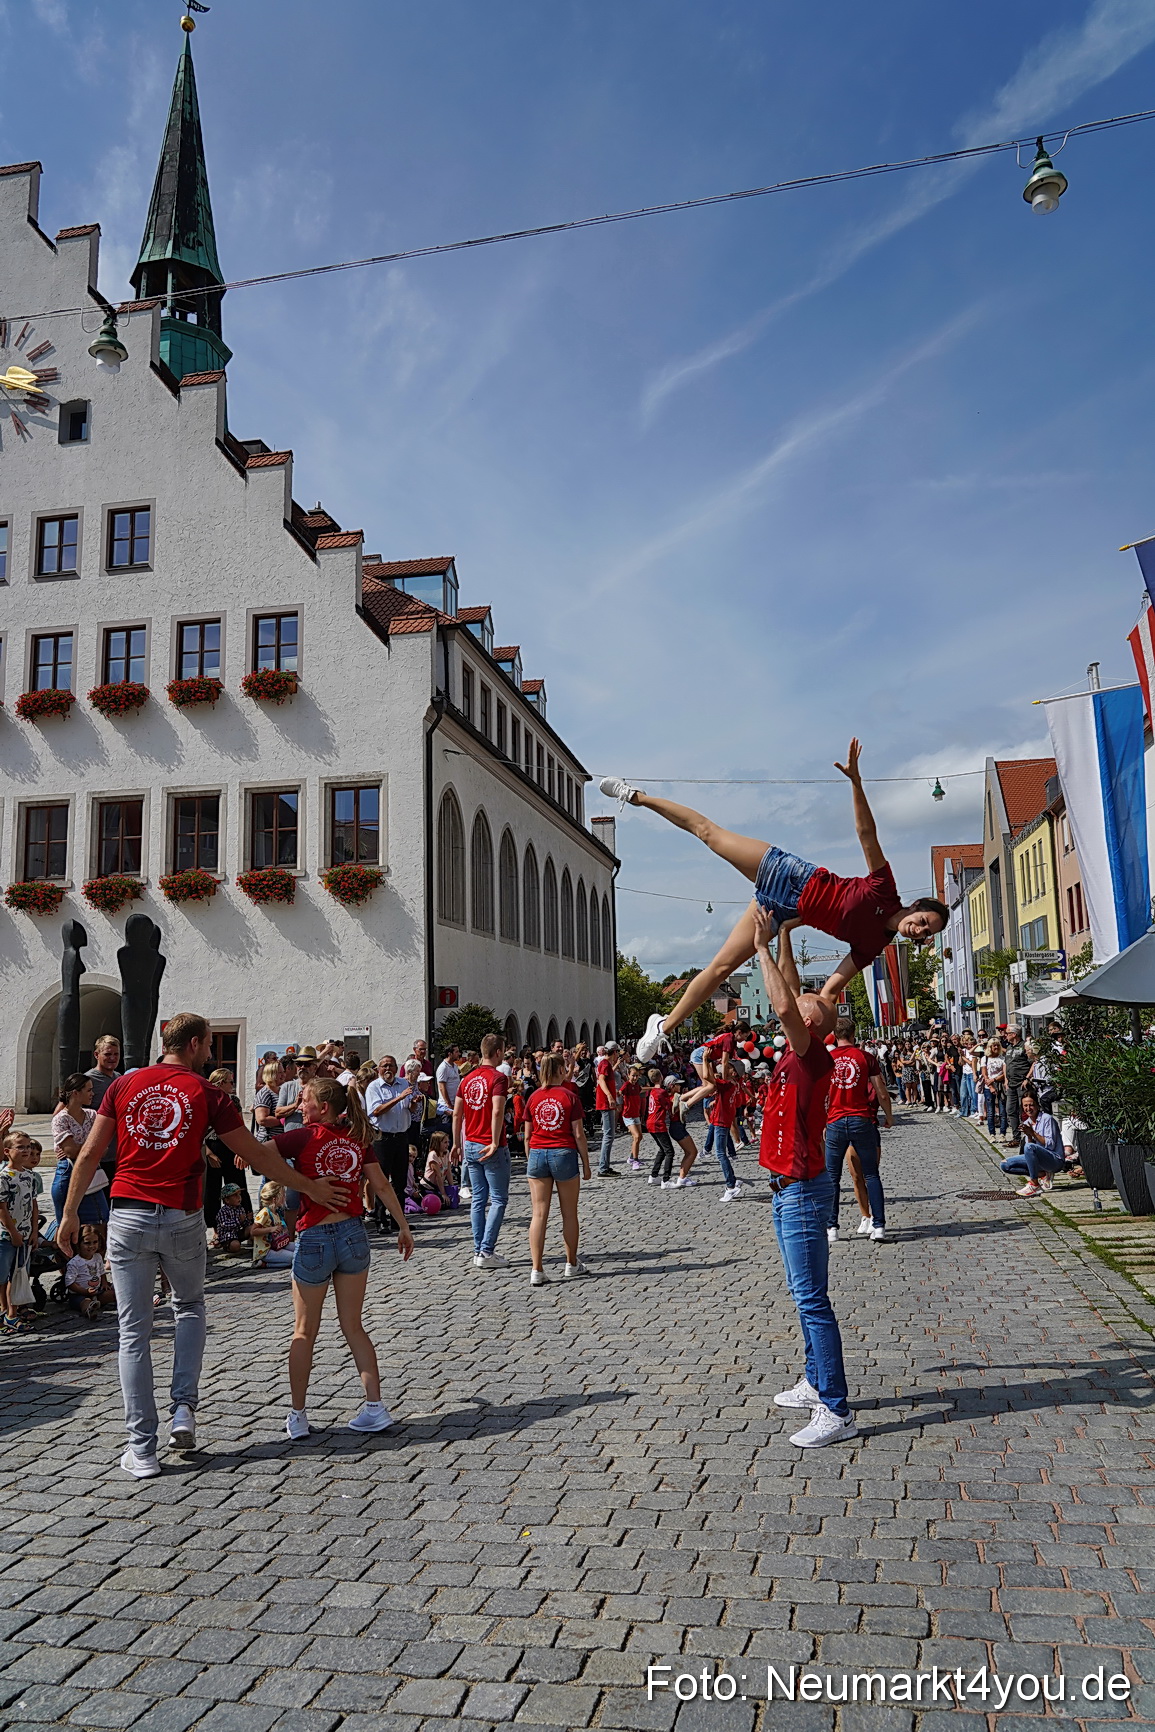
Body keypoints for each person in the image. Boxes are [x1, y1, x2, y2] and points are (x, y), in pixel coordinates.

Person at [57, 1012, 344, 1480]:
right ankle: (184, 1411)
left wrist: (70, 1214)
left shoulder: (123, 1086)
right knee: (189, 1307)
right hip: (181, 1216)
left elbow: (89, 1153)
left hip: (128, 1213)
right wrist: (308, 1187)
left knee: (134, 1331)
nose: (211, 1052)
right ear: (192, 1045)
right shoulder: (208, 1093)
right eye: (209, 1044)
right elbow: (253, 1152)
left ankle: (141, 1448)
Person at [602, 740, 947, 1063]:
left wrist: (808, 1019)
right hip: (790, 874)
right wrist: (856, 782)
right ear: (917, 906)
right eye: (923, 922)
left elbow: (830, 990)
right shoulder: (885, 889)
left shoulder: (874, 944)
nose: (918, 931)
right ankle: (636, 797)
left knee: (722, 967)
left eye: (923, 934)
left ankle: (663, 1027)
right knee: (707, 833)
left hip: (781, 912)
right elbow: (866, 834)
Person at [752, 913, 855, 1449]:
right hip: (785, 1187)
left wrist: (760, 947)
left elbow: (786, 1001)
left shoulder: (812, 1056)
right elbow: (793, 990)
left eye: (801, 1009)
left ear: (812, 1026)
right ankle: (815, 1381)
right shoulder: (802, 1049)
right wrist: (786, 933)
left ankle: (836, 1408)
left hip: (803, 1190)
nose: (793, 1005)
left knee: (812, 1299)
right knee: (802, 1294)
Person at [273, 1075, 414, 1440]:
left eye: (304, 1101)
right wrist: (403, 1226)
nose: (300, 1106)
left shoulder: (304, 1136)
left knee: (304, 1331)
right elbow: (381, 1185)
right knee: (354, 1326)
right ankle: (375, 1407)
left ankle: (299, 1415)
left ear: (322, 1108)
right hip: (353, 1233)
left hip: (315, 1236)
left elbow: (263, 1156)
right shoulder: (356, 1137)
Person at [524, 1053, 592, 1285]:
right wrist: (586, 1163)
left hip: (537, 1152)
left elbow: (527, 1135)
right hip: (563, 1152)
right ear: (561, 1070)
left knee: (539, 1214)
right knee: (569, 1213)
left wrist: (530, 1158)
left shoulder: (533, 1097)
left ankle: (536, 1268)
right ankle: (571, 1263)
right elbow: (579, 1134)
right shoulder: (570, 1096)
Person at [824, 1018, 892, 1243]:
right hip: (860, 1118)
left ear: (834, 1035)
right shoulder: (865, 1057)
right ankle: (879, 1226)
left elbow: (820, 1094)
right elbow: (881, 1091)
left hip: (835, 1120)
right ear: (853, 1034)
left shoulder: (828, 1059)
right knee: (871, 1174)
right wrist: (888, 1116)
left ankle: (831, 1227)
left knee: (832, 1177)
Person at [452, 1033, 512, 1270]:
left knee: (478, 1199)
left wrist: (456, 1142)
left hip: (471, 1142)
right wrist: (496, 1140)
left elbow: (458, 1113)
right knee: (498, 1199)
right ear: (498, 1052)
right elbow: (498, 1111)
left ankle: (478, 1249)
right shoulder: (498, 1078)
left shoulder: (467, 1078)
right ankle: (486, 1250)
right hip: (490, 1144)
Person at [364, 1057, 415, 1233]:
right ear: (379, 1069)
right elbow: (376, 1111)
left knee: (400, 1181)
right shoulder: (374, 1087)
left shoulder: (403, 1083)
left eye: (391, 1065)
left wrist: (414, 1104)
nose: (387, 1069)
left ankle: (398, 1220)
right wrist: (398, 1098)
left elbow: (409, 1107)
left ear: (396, 1068)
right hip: (382, 1138)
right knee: (382, 1180)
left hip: (401, 1136)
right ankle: (380, 1219)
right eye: (384, 1065)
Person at [51, 1073, 109, 1228]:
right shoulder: (61, 1119)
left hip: (92, 1173)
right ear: (76, 1093)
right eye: (89, 1090)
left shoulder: (92, 1115)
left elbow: (103, 1148)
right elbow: (70, 1152)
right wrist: (92, 1148)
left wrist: (86, 1149)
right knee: (70, 1225)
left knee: (102, 1221)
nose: (93, 1094)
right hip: (68, 1172)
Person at [1, 1128, 41, 1336]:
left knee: (18, 1275)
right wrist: (13, 1232)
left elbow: (34, 1205)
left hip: (25, 1235)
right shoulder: (4, 1177)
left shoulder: (29, 1176)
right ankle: (4, 1311)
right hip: (6, 1236)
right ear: (7, 1151)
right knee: (2, 1276)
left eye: (28, 1147)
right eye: (21, 1147)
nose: (26, 1151)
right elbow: (2, 1208)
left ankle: (12, 1313)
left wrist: (34, 1231)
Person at [1000, 1088, 1065, 1197]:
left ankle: (1034, 1184)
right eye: (1025, 1106)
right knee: (1005, 1164)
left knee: (1029, 1147)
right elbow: (1029, 1149)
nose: (1028, 1108)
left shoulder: (1047, 1119)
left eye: (1031, 1105)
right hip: (1038, 1158)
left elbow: (1050, 1144)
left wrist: (1033, 1133)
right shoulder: (1027, 1122)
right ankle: (1042, 1174)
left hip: (1054, 1159)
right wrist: (1029, 1135)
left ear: (1037, 1105)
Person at [65, 1222, 114, 1319]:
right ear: (78, 1244)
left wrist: (104, 1283)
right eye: (87, 1243)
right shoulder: (75, 1262)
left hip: (97, 1291)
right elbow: (70, 1282)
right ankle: (90, 1309)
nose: (91, 1246)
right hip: (79, 1295)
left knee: (113, 1294)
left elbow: (101, 1272)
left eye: (95, 1242)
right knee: (85, 1302)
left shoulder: (98, 1257)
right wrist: (85, 1291)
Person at [251, 1182, 296, 1269]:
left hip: (277, 1244)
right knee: (295, 1258)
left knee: (299, 1248)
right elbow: (253, 1231)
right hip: (265, 1250)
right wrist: (270, 1229)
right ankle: (265, 1264)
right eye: (283, 1195)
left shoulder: (277, 1211)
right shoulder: (265, 1212)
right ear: (275, 1199)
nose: (285, 1198)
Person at [644, 1069, 677, 1186]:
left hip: (650, 1122)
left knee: (662, 1149)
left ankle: (654, 1175)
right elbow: (668, 1106)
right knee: (670, 1152)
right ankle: (666, 1179)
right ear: (661, 1077)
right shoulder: (661, 1092)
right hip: (658, 1124)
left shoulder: (653, 1091)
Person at [594, 1042, 622, 1177]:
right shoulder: (604, 1064)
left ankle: (605, 1166)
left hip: (607, 1102)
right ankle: (603, 1167)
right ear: (614, 1052)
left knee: (609, 1135)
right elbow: (601, 1080)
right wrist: (610, 1096)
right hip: (606, 1103)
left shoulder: (607, 1064)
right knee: (608, 1135)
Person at [213, 1183, 252, 1254]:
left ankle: (252, 1241)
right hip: (227, 1237)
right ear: (227, 1200)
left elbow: (244, 1224)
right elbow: (225, 1225)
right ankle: (227, 1246)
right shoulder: (223, 1211)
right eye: (235, 1195)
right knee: (235, 1246)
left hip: (237, 1233)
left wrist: (247, 1219)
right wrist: (239, 1220)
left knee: (252, 1228)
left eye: (239, 1194)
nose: (239, 1197)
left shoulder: (240, 1208)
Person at [86, 1035, 122, 1108]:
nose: (112, 1058)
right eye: (107, 1054)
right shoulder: (88, 1079)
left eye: (116, 1054)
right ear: (96, 1055)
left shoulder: (119, 1077)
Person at [981, 1039, 1008, 1138]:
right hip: (989, 1087)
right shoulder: (985, 1058)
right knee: (990, 1111)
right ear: (990, 1047)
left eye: (997, 1045)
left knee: (1002, 1111)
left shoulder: (1002, 1058)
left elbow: (1004, 1073)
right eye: (994, 1046)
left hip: (1000, 1086)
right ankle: (992, 1133)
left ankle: (1002, 1133)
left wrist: (994, 1079)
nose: (996, 1047)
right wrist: (990, 1085)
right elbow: (984, 1073)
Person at [620, 1064, 644, 1171]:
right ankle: (635, 1160)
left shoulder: (637, 1086)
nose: (635, 1078)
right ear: (628, 1075)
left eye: (637, 1076)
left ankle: (631, 1157)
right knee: (637, 1136)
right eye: (633, 1075)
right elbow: (620, 1092)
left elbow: (641, 1089)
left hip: (636, 1115)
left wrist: (654, 1087)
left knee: (639, 1137)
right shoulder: (626, 1085)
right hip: (628, 1115)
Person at [435, 1045, 462, 1135]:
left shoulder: (454, 1066)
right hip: (446, 1107)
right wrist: (449, 1104)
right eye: (456, 1052)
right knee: (447, 1132)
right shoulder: (443, 1067)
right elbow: (442, 1087)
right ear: (449, 1054)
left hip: (455, 1104)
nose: (459, 1054)